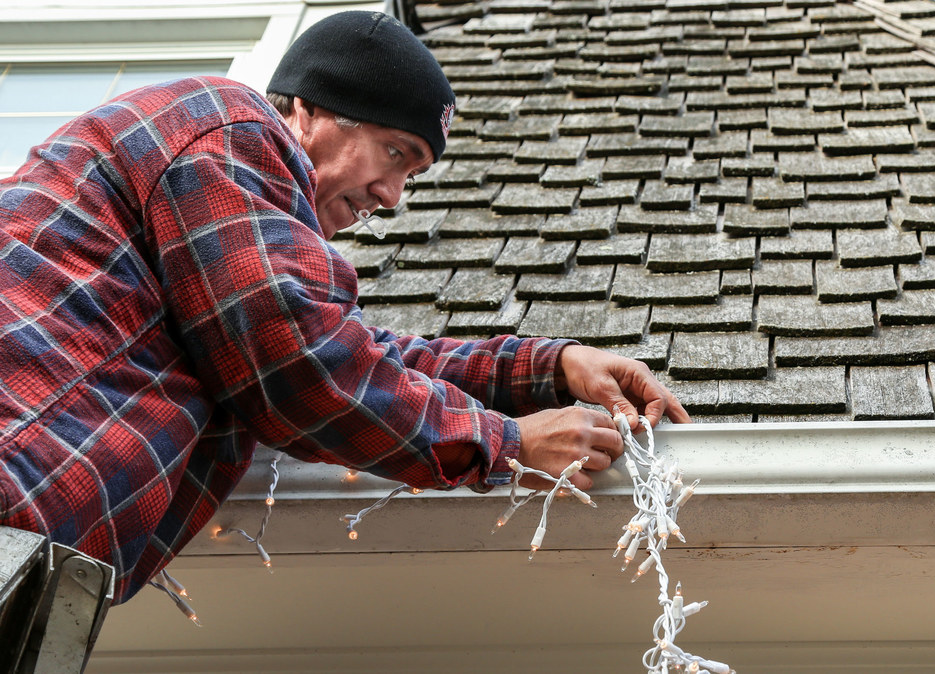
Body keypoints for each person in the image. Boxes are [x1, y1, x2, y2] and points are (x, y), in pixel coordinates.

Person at [0, 10, 689, 603]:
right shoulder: (225, 123)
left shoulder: (226, 252)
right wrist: (507, 445)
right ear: (309, 110)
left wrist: (551, 365)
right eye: (395, 153)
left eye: (411, 174)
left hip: (35, 548)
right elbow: (301, 364)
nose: (392, 196)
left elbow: (356, 353)